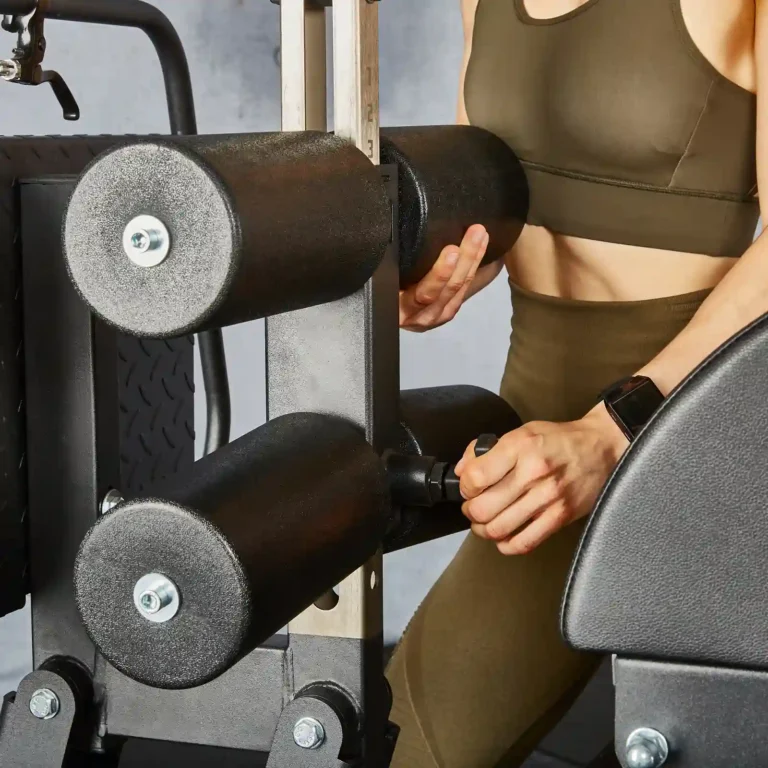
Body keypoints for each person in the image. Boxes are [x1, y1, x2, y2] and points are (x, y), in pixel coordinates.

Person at [387, 0, 765, 766]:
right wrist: (439, 274)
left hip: (707, 423)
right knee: (402, 744)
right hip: (546, 429)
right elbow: (494, 199)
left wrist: (615, 429)